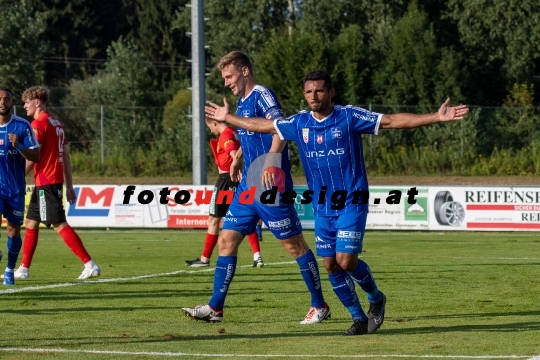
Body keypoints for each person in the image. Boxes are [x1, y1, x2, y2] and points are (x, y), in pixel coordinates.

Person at [205, 70, 469, 335]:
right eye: (308, 92)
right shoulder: (299, 122)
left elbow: (391, 121)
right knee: (330, 263)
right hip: (322, 206)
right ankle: (358, 318)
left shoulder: (349, 116)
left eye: (319, 90)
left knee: (345, 260)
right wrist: (228, 118)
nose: (313, 96)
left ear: (331, 92)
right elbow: (264, 126)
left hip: (351, 200)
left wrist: (436, 116)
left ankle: (376, 298)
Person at [182, 52, 330, 325]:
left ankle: (319, 305)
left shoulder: (262, 95)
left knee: (294, 246)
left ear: (245, 70)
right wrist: (237, 160)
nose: (226, 82)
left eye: (229, 75)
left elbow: (279, 129)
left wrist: (271, 161)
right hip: (248, 187)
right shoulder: (242, 100)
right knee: (226, 241)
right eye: (224, 77)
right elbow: (249, 135)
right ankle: (215, 308)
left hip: (270, 186)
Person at [11, 86, 101, 280]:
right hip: (51, 181)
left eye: (27, 102)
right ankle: (24, 269)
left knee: (59, 224)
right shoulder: (56, 123)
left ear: (37, 102)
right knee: (30, 223)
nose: (24, 105)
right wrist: (69, 185)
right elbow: (66, 157)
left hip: (46, 181)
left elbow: (34, 156)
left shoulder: (38, 124)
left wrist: (16, 177)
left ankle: (89, 264)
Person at [184, 117, 264, 268]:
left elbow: (233, 154)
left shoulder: (226, 135)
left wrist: (236, 166)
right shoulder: (234, 132)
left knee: (213, 220)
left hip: (226, 180)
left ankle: (204, 259)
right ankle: (257, 256)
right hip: (239, 180)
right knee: (243, 217)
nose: (211, 131)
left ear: (215, 123)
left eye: (210, 127)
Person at [0, 87, 40, 285]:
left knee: (13, 231)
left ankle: (9, 269)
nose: (2, 102)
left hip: (15, 189)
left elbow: (36, 156)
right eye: (0, 99)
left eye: (6, 99)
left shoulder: (22, 126)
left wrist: (20, 146)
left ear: (11, 103)